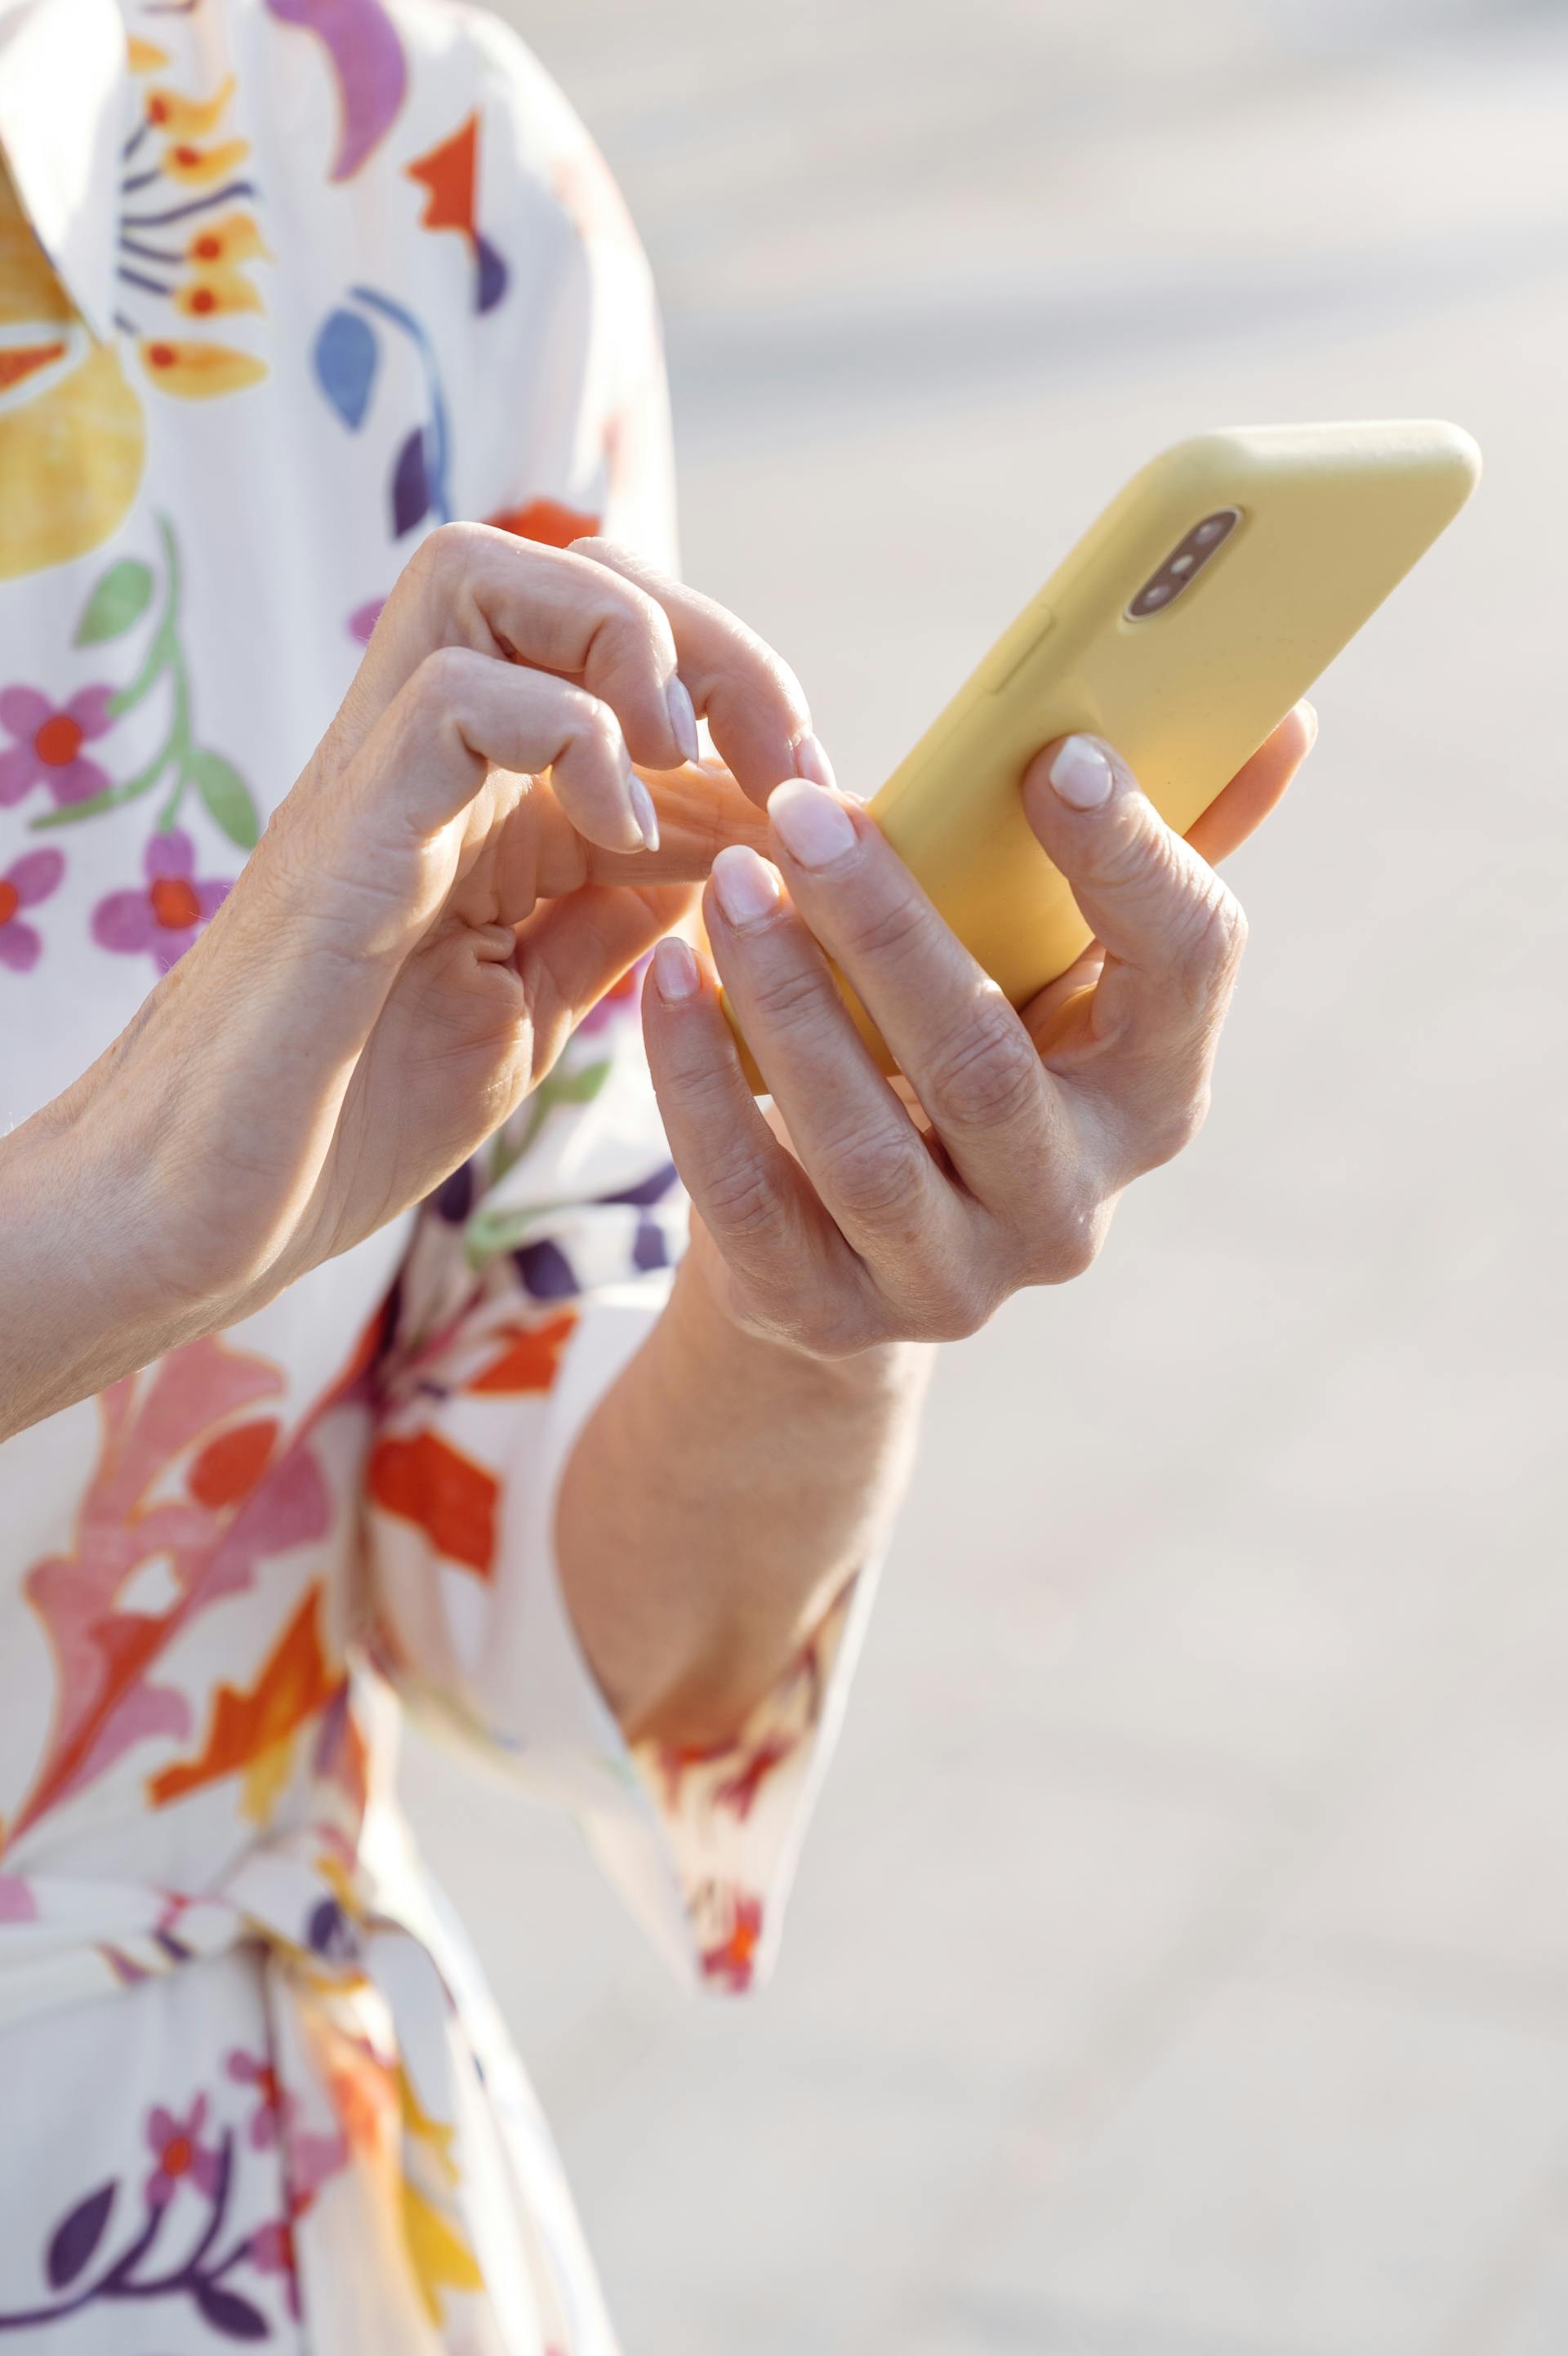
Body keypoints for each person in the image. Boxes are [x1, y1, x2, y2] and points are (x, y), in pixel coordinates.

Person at [0, 0, 1313, 2347]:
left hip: (206, 2225)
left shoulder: (398, 175)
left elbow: (538, 1595)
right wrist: (84, 1249)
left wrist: (804, 1303)